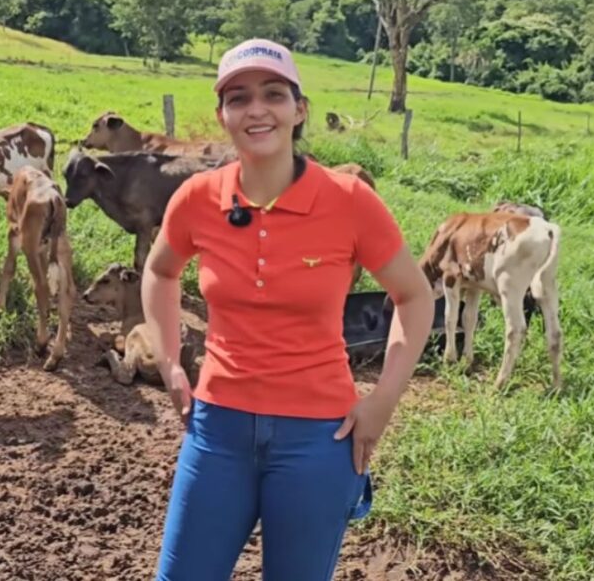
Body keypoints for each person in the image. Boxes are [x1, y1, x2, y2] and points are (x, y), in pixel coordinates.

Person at [142, 38, 435, 581]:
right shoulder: (197, 198)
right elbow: (160, 271)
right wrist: (170, 363)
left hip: (318, 438)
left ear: (298, 110)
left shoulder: (349, 200)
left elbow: (414, 296)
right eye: (239, 97)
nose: (257, 109)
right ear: (223, 115)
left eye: (273, 94)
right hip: (217, 431)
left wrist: (384, 400)